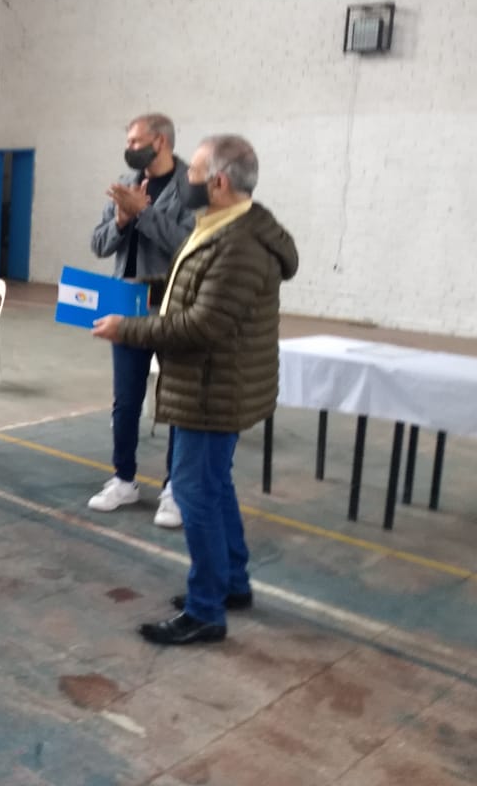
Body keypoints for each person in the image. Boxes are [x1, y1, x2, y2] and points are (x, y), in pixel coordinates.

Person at [93, 135, 298, 646]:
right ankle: (232, 584)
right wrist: (138, 294)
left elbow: (203, 324)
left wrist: (127, 329)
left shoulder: (240, 245)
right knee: (214, 486)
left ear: (219, 182)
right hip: (208, 384)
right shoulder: (221, 226)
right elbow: (190, 289)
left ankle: (206, 610)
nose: (186, 180)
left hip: (212, 387)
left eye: (195, 173)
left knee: (194, 493)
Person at [87, 113, 194, 527]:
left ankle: (175, 489)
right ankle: (123, 479)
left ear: (160, 141)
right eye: (128, 141)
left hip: (171, 304)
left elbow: (189, 245)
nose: (129, 148)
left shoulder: (192, 185)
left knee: (176, 401)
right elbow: (98, 244)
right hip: (126, 302)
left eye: (135, 141)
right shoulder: (124, 182)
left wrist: (144, 214)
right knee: (126, 399)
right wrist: (121, 218)